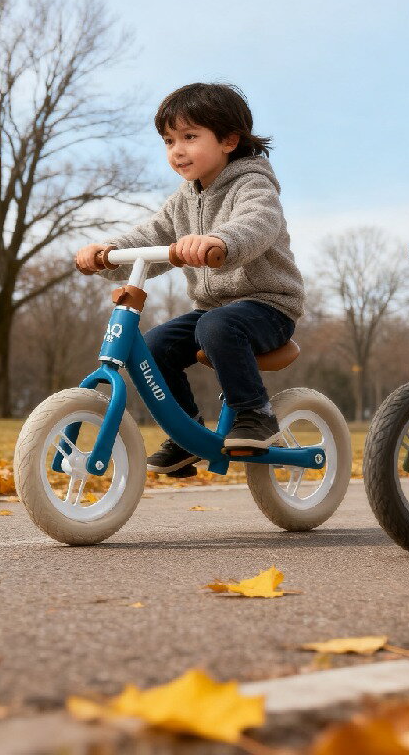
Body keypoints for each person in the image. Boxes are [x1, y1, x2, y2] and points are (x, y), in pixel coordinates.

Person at [75, 82, 304, 476]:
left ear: (229, 140)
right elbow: (150, 236)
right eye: (168, 141)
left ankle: (255, 412)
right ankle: (187, 434)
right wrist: (106, 253)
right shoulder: (183, 200)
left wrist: (220, 241)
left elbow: (258, 222)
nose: (176, 150)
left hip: (268, 306)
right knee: (153, 346)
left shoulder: (254, 184)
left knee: (218, 325)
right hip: (214, 311)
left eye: (190, 137)